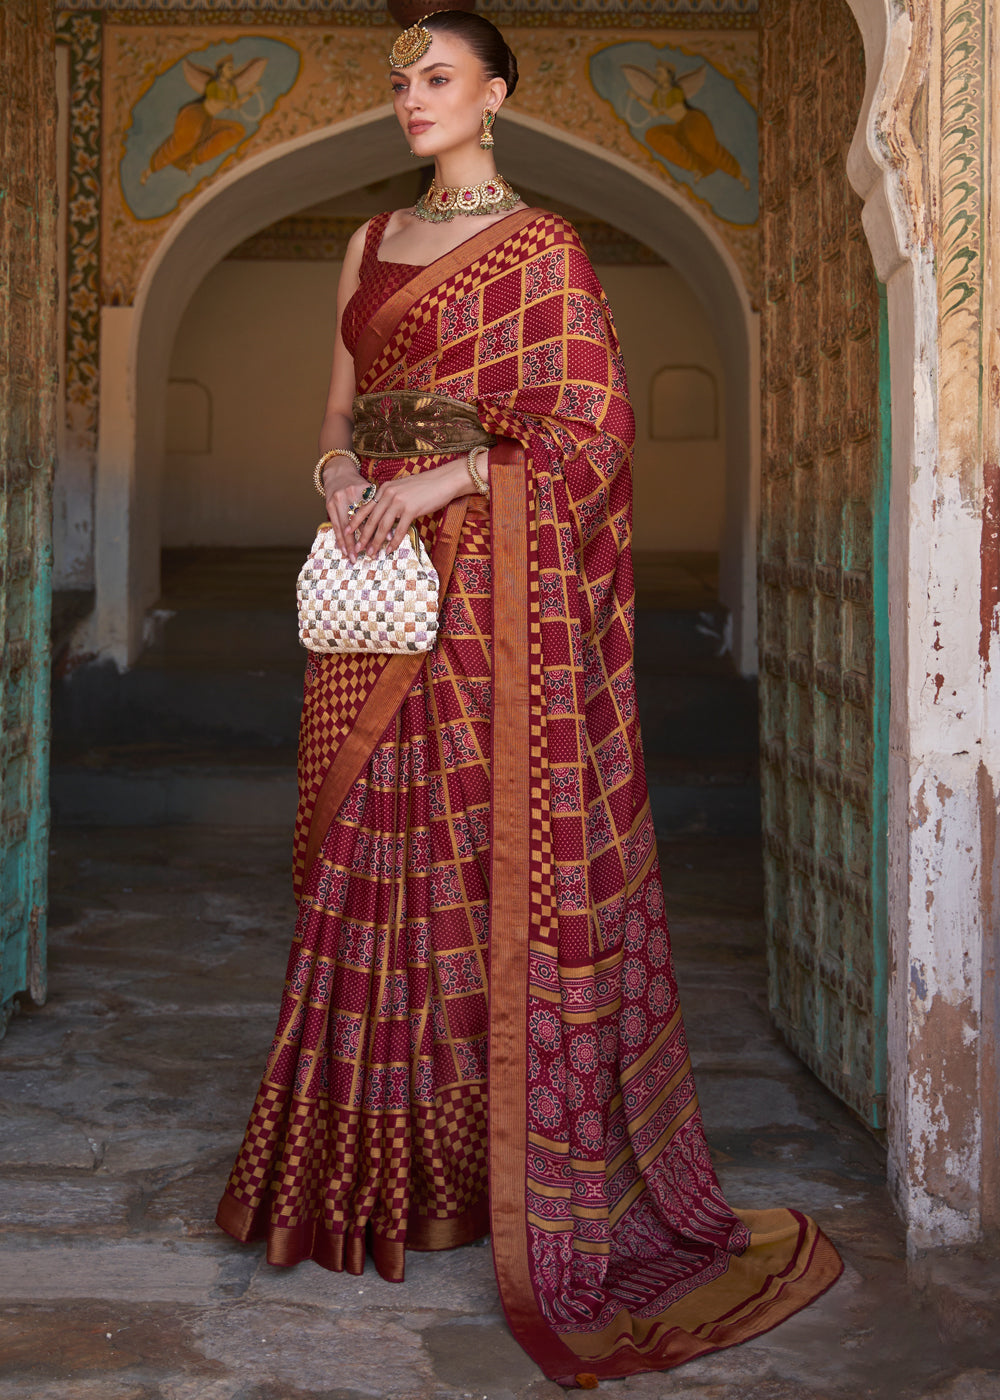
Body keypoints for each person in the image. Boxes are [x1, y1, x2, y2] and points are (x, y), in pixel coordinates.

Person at [216, 10, 841, 1387]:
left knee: (477, 861)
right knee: (360, 856)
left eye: (435, 78)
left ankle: (499, 1171)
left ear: (496, 92)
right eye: (396, 82)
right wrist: (339, 484)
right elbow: (336, 414)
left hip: (494, 595)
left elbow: (591, 430)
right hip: (370, 586)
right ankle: (373, 1169)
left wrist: (445, 482)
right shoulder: (368, 244)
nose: (408, 100)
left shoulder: (547, 248)